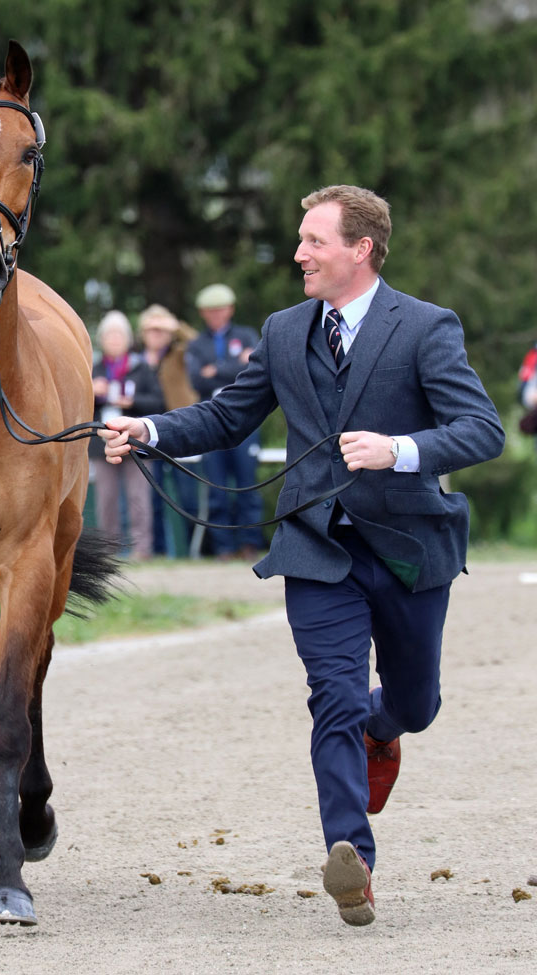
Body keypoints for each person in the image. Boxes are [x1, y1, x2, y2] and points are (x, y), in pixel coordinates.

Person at [98, 185, 505, 926]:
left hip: (412, 547)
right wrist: (149, 430)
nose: (298, 255)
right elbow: (226, 416)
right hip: (317, 548)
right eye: (300, 239)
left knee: (414, 704)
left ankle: (386, 731)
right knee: (335, 696)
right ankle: (351, 856)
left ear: (362, 249)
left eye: (314, 241)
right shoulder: (285, 331)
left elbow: (482, 428)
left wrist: (399, 449)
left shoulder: (425, 327)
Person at [185, 284, 264, 560]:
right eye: (210, 311)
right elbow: (196, 380)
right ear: (203, 313)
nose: (216, 315)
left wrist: (216, 369)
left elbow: (253, 369)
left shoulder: (246, 335)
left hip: (245, 418)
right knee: (216, 486)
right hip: (210, 419)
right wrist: (233, 364)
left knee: (247, 483)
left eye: (220, 310)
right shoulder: (196, 344)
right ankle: (223, 547)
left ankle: (250, 543)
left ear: (230, 309)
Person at [89, 310, 158, 560]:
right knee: (105, 498)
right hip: (102, 443)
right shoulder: (93, 367)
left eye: (119, 335)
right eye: (110, 336)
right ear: (102, 339)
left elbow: (158, 401)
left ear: (128, 339)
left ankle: (142, 549)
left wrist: (133, 401)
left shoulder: (140, 367)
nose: (114, 340)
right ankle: (109, 550)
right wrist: (91, 391)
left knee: (138, 497)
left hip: (136, 439)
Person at [136, 304, 200, 556]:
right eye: (151, 329)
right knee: (153, 497)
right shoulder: (136, 360)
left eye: (161, 329)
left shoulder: (181, 353)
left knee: (188, 497)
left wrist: (176, 327)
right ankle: (160, 551)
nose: (156, 334)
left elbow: (198, 343)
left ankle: (196, 551)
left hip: (178, 429)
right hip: (147, 434)